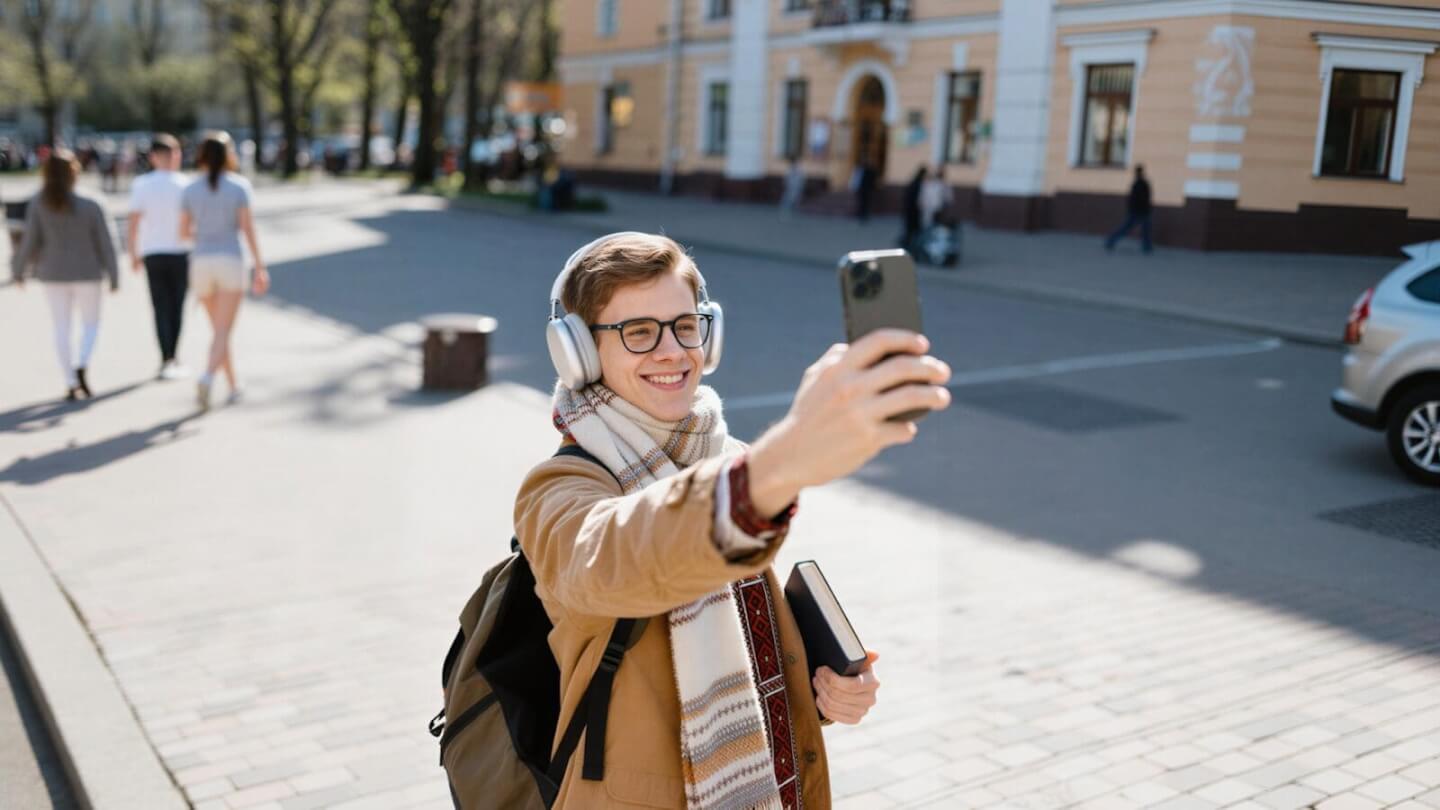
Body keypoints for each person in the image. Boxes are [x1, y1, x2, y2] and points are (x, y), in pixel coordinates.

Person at [517, 232, 952, 808]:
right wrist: (780, 461)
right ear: (580, 353)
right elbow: (617, 558)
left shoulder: (723, 455)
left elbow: (744, 642)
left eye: (684, 325)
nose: (672, 351)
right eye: (639, 333)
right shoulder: (560, 488)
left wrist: (818, 687)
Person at [9, 150, 120, 401]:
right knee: (91, 324)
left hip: (52, 273)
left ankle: (70, 379)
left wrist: (18, 270)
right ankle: (82, 363)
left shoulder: (39, 203)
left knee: (61, 327)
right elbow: (106, 243)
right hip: (87, 273)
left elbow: (30, 241)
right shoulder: (91, 203)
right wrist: (114, 275)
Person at [180, 132, 269, 411]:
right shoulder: (239, 187)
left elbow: (183, 232)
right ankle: (207, 376)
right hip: (231, 260)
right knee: (223, 330)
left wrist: (205, 236)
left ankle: (233, 385)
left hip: (201, 263)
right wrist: (260, 266)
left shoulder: (190, 190)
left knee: (219, 329)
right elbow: (247, 229)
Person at [127, 134, 191, 379]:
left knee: (160, 307)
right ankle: (172, 356)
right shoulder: (185, 184)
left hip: (153, 253)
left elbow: (133, 223)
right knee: (177, 307)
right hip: (180, 252)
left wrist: (133, 253)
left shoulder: (142, 184)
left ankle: (166, 357)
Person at [1105, 164, 1153, 254]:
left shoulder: (1139, 184)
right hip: (1139, 211)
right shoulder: (1140, 184)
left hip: (1139, 211)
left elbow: (1134, 198)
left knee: (1140, 229)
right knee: (1140, 229)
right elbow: (1143, 198)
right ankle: (1111, 241)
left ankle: (1147, 246)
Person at [899, 165, 926, 251]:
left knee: (910, 229)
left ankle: (907, 244)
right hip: (913, 211)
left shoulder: (915, 181)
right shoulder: (918, 184)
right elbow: (917, 199)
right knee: (912, 229)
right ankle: (908, 245)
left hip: (909, 210)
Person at [919, 164, 954, 229]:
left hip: (938, 209)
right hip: (928, 209)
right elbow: (923, 196)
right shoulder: (929, 183)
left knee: (936, 226)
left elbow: (949, 198)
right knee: (927, 225)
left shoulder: (944, 184)